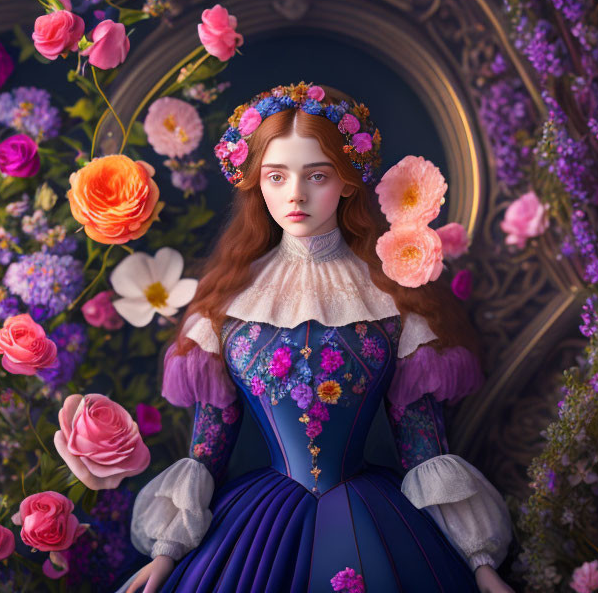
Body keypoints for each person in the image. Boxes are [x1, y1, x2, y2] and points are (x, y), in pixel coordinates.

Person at [115, 83, 515, 593]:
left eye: (317, 176)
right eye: (276, 177)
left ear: (347, 184)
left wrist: (480, 564)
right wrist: (166, 555)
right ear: (257, 183)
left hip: (373, 512)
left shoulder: (394, 299)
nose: (295, 195)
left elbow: (422, 442)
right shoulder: (225, 304)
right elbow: (207, 446)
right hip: (258, 523)